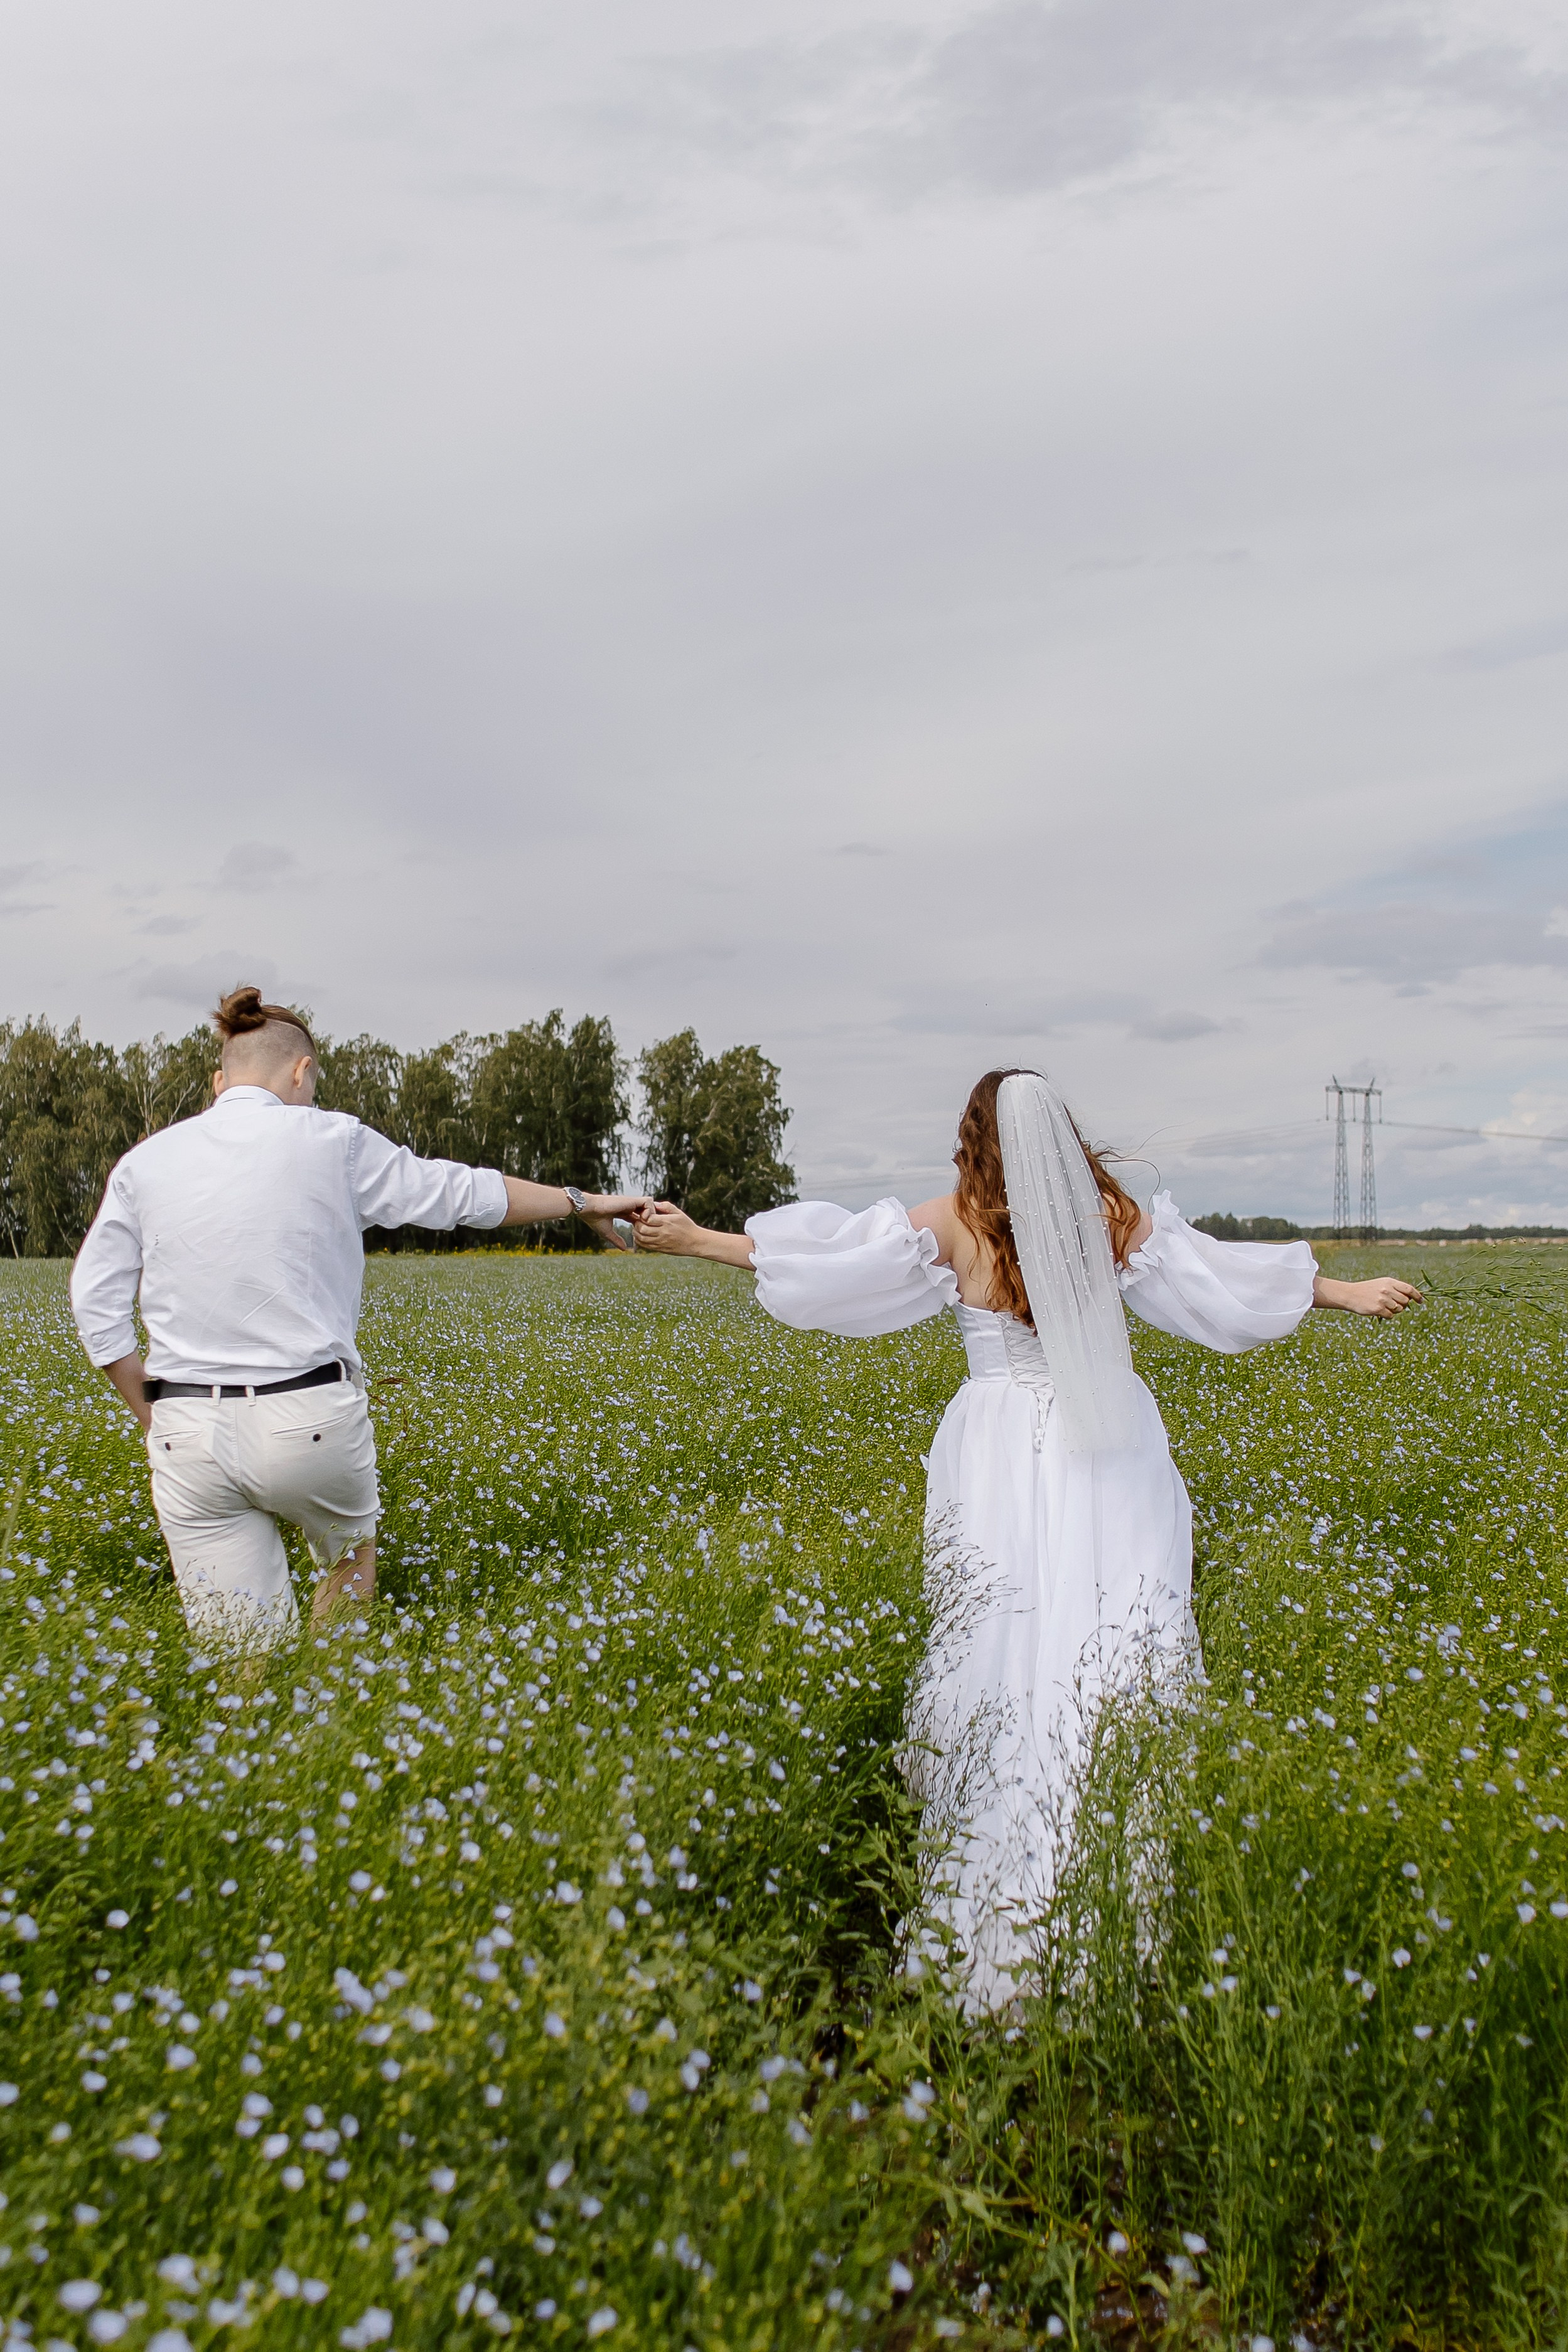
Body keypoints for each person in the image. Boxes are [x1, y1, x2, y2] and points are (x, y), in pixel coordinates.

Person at [632, 1066, 1419, 2010]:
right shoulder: (1111, 1216)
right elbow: (1220, 1274)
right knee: (1111, 1637)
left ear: (973, 1138)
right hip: (1109, 1443)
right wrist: (1345, 1289)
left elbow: (831, 1263)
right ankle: (1115, 1886)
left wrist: (692, 1239)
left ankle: (989, 1878)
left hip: (999, 1445)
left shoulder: (953, 1220)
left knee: (1000, 1640)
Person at [70, 985, 648, 1644]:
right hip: (307, 1418)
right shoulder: (333, 1140)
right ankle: (331, 1706)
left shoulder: (145, 1162)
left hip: (186, 1429)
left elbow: (95, 1305)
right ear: (302, 1071)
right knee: (347, 1564)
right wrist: (580, 1201)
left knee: (239, 1650)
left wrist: (153, 1410)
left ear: (218, 1079)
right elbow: (464, 1194)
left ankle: (255, 1723)